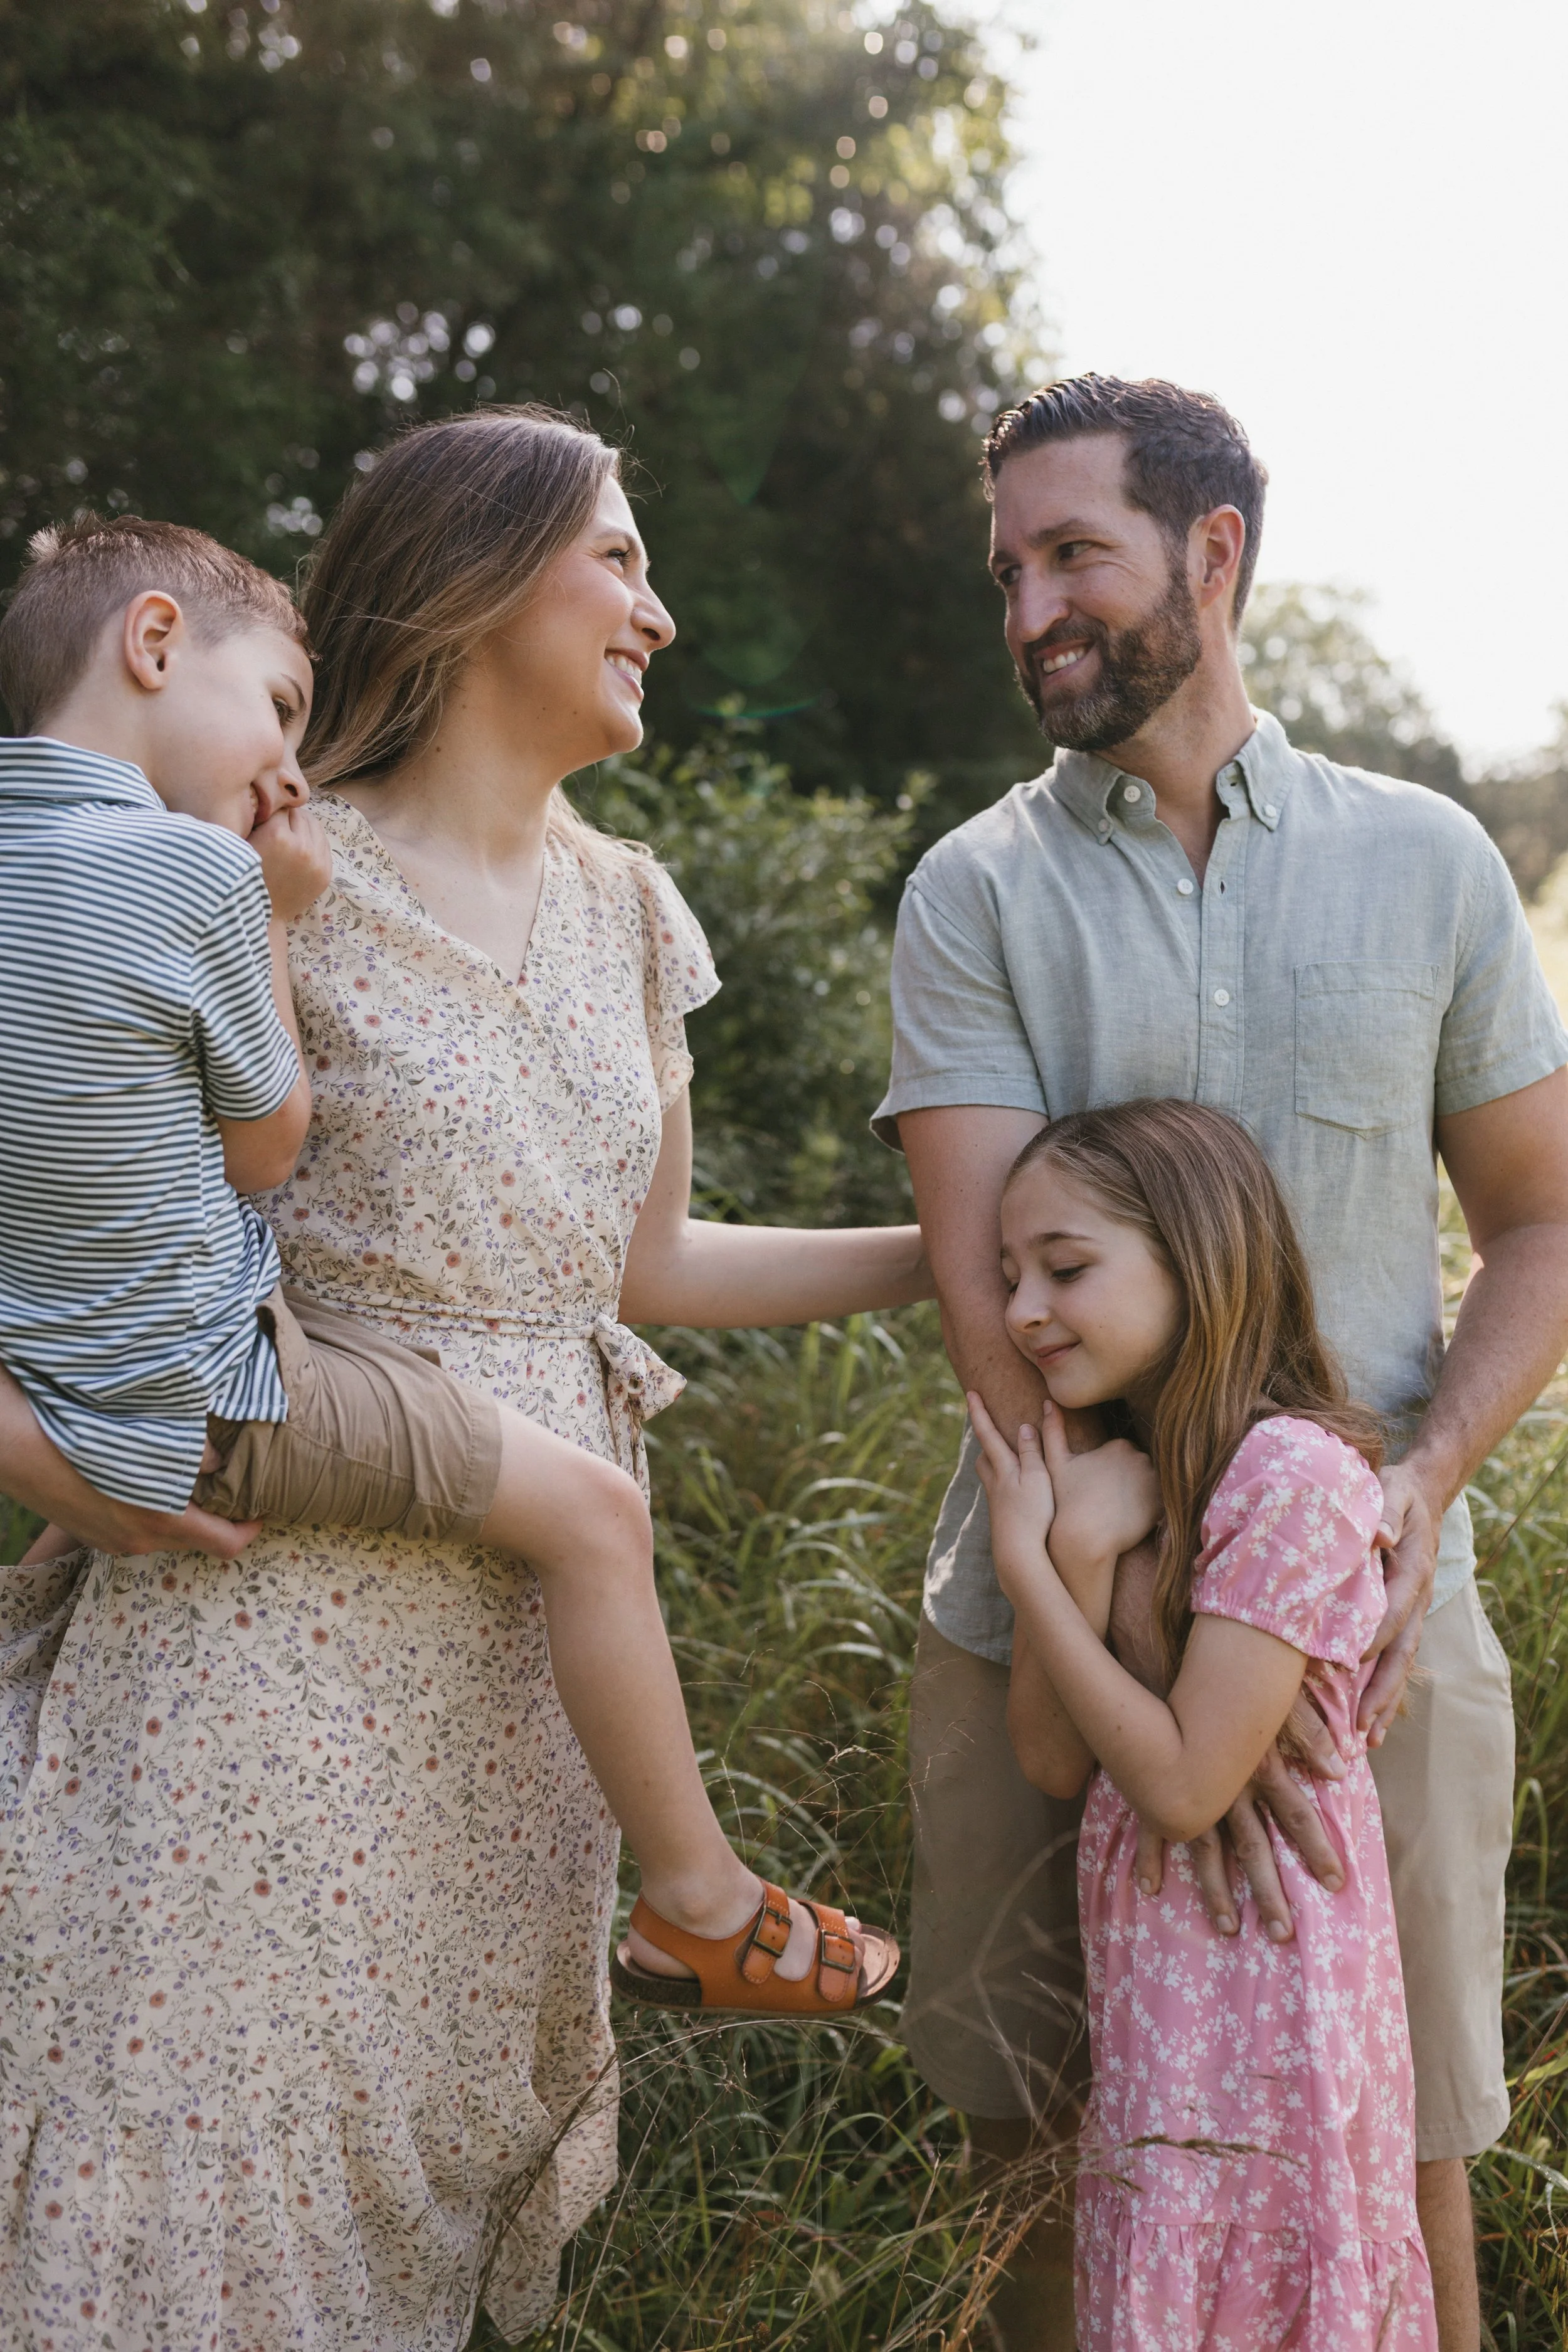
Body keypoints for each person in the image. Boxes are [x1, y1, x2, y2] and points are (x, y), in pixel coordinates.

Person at [0, 406, 926, 2350]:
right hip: (270, 1634)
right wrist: (24, 1438)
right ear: (477, 576)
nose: (657, 610)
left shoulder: (631, 908)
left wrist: (948, 1259)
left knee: (418, 2214)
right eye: (619, 554)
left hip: (534, 1693)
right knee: (214, 2185)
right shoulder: (235, 849)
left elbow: (647, 1265)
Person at [873, 374, 1568, 2350]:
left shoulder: (1427, 861)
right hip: (1054, 1611)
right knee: (1039, 2141)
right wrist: (1131, 1596)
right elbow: (981, 1284)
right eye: (1005, 570)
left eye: (1071, 553)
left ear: (1213, 552)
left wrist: (1412, 1491)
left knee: (1403, 2119)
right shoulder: (974, 891)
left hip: (1367, 1620)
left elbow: (1540, 1218)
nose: (1029, 612)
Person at [971, 1098, 1438, 2349]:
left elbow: (1180, 1788)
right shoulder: (1123, 1482)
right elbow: (1052, 1756)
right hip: (1164, 2021)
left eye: (1064, 1268)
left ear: (1198, 1260)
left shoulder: (1290, 1477)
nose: (1021, 1310)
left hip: (1267, 2012)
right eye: (1008, 1275)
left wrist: (1032, 1567)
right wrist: (1073, 1545)